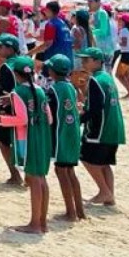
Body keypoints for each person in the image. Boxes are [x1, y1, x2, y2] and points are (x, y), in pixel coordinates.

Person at [0, 56, 53, 234]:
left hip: (28, 138)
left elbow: (22, 119)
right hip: (43, 137)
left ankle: (34, 224)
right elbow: (49, 118)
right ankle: (42, 222)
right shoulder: (40, 91)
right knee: (41, 179)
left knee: (34, 179)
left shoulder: (18, 92)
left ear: (16, 75)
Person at [76, 48, 125, 206]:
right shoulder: (107, 78)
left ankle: (104, 191)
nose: (83, 62)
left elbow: (95, 110)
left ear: (97, 61)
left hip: (101, 129)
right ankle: (109, 196)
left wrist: (79, 119)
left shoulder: (96, 80)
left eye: (86, 60)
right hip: (114, 127)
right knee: (104, 163)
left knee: (86, 158)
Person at [43, 55, 85, 222]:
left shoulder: (53, 90)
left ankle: (70, 212)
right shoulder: (71, 87)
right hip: (73, 132)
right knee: (70, 171)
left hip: (61, 134)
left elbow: (49, 116)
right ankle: (79, 211)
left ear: (52, 71)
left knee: (61, 171)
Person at [0, 34, 25, 186]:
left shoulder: (6, 67)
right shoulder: (23, 63)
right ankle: (28, 176)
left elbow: (3, 92)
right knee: (21, 141)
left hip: (8, 104)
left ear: (10, 49)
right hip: (25, 104)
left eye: (0, 46)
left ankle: (15, 175)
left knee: (2, 141)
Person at [113, 14, 129, 99]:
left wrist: (115, 41)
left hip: (126, 55)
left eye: (120, 20)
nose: (118, 22)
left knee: (118, 75)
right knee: (126, 76)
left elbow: (123, 43)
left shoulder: (123, 30)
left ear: (124, 22)